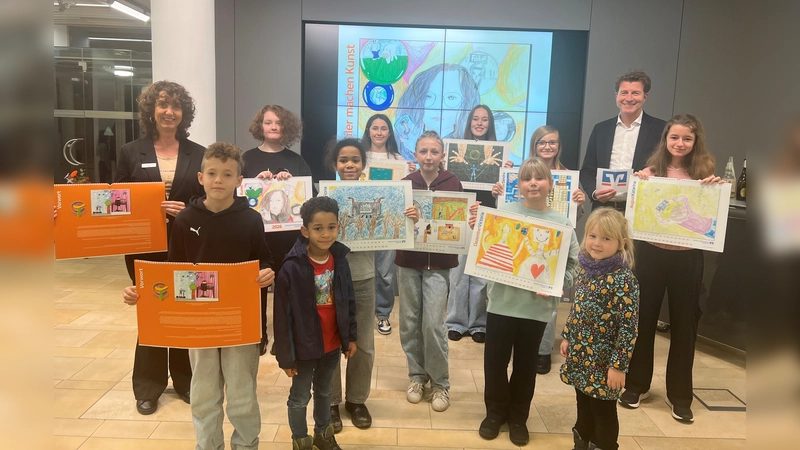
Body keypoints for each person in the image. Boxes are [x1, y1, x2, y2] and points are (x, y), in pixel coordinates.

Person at [123, 142, 275, 449]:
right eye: (212, 173)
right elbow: (171, 272)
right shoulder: (184, 220)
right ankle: (208, 445)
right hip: (199, 326)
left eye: (227, 174)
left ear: (239, 180)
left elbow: (265, 259)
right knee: (204, 393)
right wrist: (142, 292)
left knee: (243, 393)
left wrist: (268, 272)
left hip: (240, 325)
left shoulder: (251, 220)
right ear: (200, 177)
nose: (219, 180)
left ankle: (246, 444)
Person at [619, 114, 723, 423]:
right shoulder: (651, 173)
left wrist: (716, 190)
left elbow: (709, 217)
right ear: (666, 140)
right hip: (651, 255)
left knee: (684, 326)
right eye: (674, 137)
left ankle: (680, 396)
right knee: (644, 320)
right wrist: (639, 185)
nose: (680, 143)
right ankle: (636, 385)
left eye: (686, 138)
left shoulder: (706, 176)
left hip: (688, 258)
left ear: (695, 142)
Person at [115, 80, 205, 415]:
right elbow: (119, 200)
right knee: (151, 309)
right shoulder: (129, 152)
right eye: (163, 105)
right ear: (151, 111)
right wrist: (148, 207)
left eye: (176, 106)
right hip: (143, 245)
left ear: (184, 113)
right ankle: (149, 386)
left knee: (182, 309)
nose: (170, 112)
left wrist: (189, 208)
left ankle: (184, 380)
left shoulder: (199, 152)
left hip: (186, 244)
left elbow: (209, 196)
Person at [475, 157, 578, 446]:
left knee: (525, 364)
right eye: (526, 178)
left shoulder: (562, 223)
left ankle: (519, 416)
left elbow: (574, 266)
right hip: (501, 305)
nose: (533, 183)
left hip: (536, 309)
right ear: (518, 185)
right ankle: (494, 412)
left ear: (550, 184)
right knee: (495, 362)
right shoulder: (503, 214)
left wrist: (558, 284)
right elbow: (484, 252)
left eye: (539, 178)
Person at [497, 125, 587, 374]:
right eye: (542, 142)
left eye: (553, 142)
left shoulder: (570, 179)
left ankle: (543, 351)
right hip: (506, 296)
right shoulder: (516, 180)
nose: (533, 183)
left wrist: (580, 201)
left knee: (543, 310)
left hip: (547, 272)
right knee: (499, 358)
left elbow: (573, 255)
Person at [396, 130, 472, 413]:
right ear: (415, 155)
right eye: (423, 151)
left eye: (434, 152)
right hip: (408, 261)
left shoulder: (453, 183)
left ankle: (440, 383)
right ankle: (417, 377)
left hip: (439, 264)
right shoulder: (405, 184)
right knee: (409, 321)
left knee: (433, 323)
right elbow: (396, 224)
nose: (428, 156)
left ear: (442, 156)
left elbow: (459, 224)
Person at [273, 196, 358, 450]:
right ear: (305, 230)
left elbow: (348, 301)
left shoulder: (340, 260)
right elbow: (281, 316)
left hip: (331, 344)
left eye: (331, 227)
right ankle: (300, 440)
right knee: (299, 397)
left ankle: (323, 434)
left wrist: (350, 337)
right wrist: (286, 357)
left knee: (325, 393)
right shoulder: (291, 267)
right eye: (318, 228)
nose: (325, 234)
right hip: (303, 348)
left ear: (338, 227)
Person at [559, 208, 639, 450]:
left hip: (605, 361)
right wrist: (567, 336)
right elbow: (577, 308)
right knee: (583, 402)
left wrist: (618, 366)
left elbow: (629, 328)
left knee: (602, 410)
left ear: (621, 243)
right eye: (592, 236)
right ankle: (581, 442)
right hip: (582, 353)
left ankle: (603, 445)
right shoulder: (586, 269)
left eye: (606, 238)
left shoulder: (624, 280)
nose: (597, 243)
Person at [243, 104, 311, 355]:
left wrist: (289, 182)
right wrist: (256, 185)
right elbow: (238, 196)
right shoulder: (247, 159)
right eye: (269, 122)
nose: (273, 127)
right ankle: (258, 334)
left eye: (279, 123)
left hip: (288, 237)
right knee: (256, 285)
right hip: (255, 237)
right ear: (260, 125)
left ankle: (283, 337)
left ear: (286, 128)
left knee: (285, 287)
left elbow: (306, 199)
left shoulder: (296, 161)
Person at [324, 139, 378, 432]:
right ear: (335, 165)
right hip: (328, 277)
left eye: (355, 160)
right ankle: (330, 401)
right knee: (329, 341)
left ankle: (356, 400)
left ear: (363, 165)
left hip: (364, 276)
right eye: (343, 160)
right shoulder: (325, 197)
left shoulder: (376, 195)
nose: (349, 165)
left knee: (364, 344)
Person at [579, 71, 667, 212]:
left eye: (635, 93)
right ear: (616, 96)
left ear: (645, 97)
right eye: (624, 92)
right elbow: (587, 171)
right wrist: (595, 193)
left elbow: (666, 168)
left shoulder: (661, 129)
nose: (629, 98)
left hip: (641, 210)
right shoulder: (601, 129)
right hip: (603, 210)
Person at [446, 104, 497, 344]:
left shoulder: (499, 155)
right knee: (457, 272)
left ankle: (478, 323)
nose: (479, 123)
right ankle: (455, 322)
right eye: (475, 119)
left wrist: (505, 175)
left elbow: (504, 194)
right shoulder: (455, 152)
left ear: (490, 124)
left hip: (487, 217)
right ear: (469, 122)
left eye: (484, 120)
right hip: (460, 216)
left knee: (480, 275)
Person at [361, 113, 415, 336]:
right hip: (363, 221)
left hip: (388, 222)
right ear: (368, 130)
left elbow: (405, 192)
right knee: (362, 271)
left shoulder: (399, 160)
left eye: (384, 128)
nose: (379, 132)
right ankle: (361, 316)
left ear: (390, 132)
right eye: (375, 128)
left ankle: (382, 314)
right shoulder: (359, 156)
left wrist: (410, 172)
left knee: (385, 273)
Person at [395, 64, 480, 160]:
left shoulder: (469, 145)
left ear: (466, 102)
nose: (438, 106)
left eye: (451, 97)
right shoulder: (402, 139)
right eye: (429, 96)